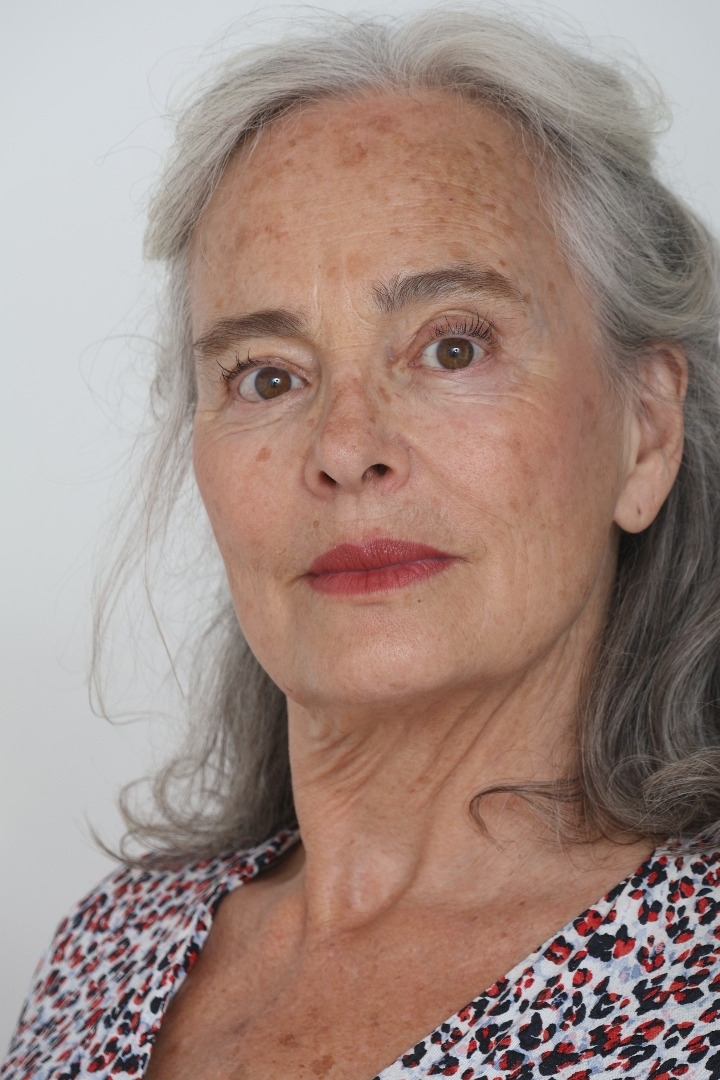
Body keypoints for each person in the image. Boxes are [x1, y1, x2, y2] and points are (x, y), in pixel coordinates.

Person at [5, 7, 720, 1079]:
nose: (345, 448)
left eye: (453, 348)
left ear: (646, 432)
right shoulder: (105, 953)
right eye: (268, 376)